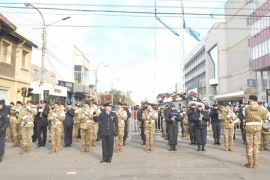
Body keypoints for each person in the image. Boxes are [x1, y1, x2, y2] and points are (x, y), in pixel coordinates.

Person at [244, 95, 267, 168]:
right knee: (256, 145)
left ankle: (250, 163)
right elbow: (264, 117)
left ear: (251, 100)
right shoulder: (261, 108)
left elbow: (246, 115)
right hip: (257, 127)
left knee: (250, 145)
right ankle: (255, 164)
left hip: (249, 127)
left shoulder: (247, 108)